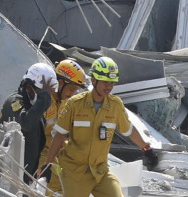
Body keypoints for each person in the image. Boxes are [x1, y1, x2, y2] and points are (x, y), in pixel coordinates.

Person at [38, 57, 160, 197]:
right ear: (94, 80)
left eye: (112, 83)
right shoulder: (74, 104)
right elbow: (58, 135)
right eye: (105, 82)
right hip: (73, 171)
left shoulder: (115, 105)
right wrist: (47, 165)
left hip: (99, 171)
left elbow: (129, 130)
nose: (109, 87)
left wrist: (146, 148)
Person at [0, 63, 56, 182]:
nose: (45, 97)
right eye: (42, 92)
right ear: (28, 86)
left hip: (24, 177)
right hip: (6, 176)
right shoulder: (14, 102)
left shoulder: (34, 108)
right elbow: (26, 124)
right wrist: (43, 100)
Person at [38, 59, 87, 195]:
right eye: (71, 89)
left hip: (55, 152)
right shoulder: (43, 101)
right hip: (40, 153)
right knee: (55, 187)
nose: (71, 94)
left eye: (75, 91)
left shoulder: (63, 103)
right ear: (60, 83)